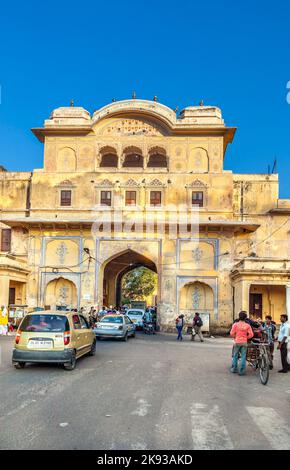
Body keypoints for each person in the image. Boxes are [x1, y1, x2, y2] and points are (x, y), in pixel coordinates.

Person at [230, 311, 254, 376]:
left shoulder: (235, 324)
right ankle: (242, 371)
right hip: (244, 342)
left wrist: (235, 337)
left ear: (239, 317)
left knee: (235, 356)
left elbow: (231, 333)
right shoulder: (247, 325)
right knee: (243, 357)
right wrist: (246, 337)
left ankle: (234, 369)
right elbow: (251, 335)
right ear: (245, 318)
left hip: (237, 342)